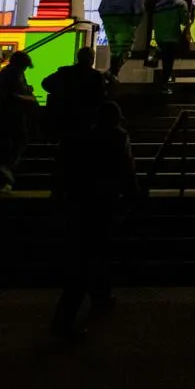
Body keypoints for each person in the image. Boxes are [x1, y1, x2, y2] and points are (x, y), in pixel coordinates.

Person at [50, 100, 133, 339]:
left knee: (88, 256)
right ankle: (66, 320)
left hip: (80, 203)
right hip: (104, 203)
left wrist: (57, 197)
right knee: (93, 256)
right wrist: (132, 194)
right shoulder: (117, 137)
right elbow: (126, 168)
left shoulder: (78, 138)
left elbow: (61, 170)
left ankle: (99, 296)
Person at [0, 51, 36, 195]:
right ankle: (5, 174)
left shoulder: (4, 75)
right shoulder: (14, 75)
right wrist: (29, 98)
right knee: (16, 144)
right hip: (10, 118)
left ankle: (1, 181)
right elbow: (13, 97)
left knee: (4, 148)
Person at [41, 46, 108, 139]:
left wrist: (60, 93)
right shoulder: (96, 76)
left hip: (66, 117)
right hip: (87, 117)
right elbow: (101, 96)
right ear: (91, 59)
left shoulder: (65, 72)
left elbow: (45, 83)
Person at [97, 0, 146, 77]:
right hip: (124, 20)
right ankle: (112, 74)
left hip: (108, 21)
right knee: (124, 50)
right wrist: (135, 23)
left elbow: (101, 8)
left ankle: (111, 74)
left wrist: (106, 20)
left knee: (114, 51)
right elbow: (139, 8)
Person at [150, 0, 189, 94]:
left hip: (159, 37)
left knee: (164, 61)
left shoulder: (159, 5)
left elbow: (154, 22)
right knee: (168, 62)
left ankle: (163, 83)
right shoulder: (181, 4)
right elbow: (184, 21)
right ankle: (164, 85)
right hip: (172, 37)